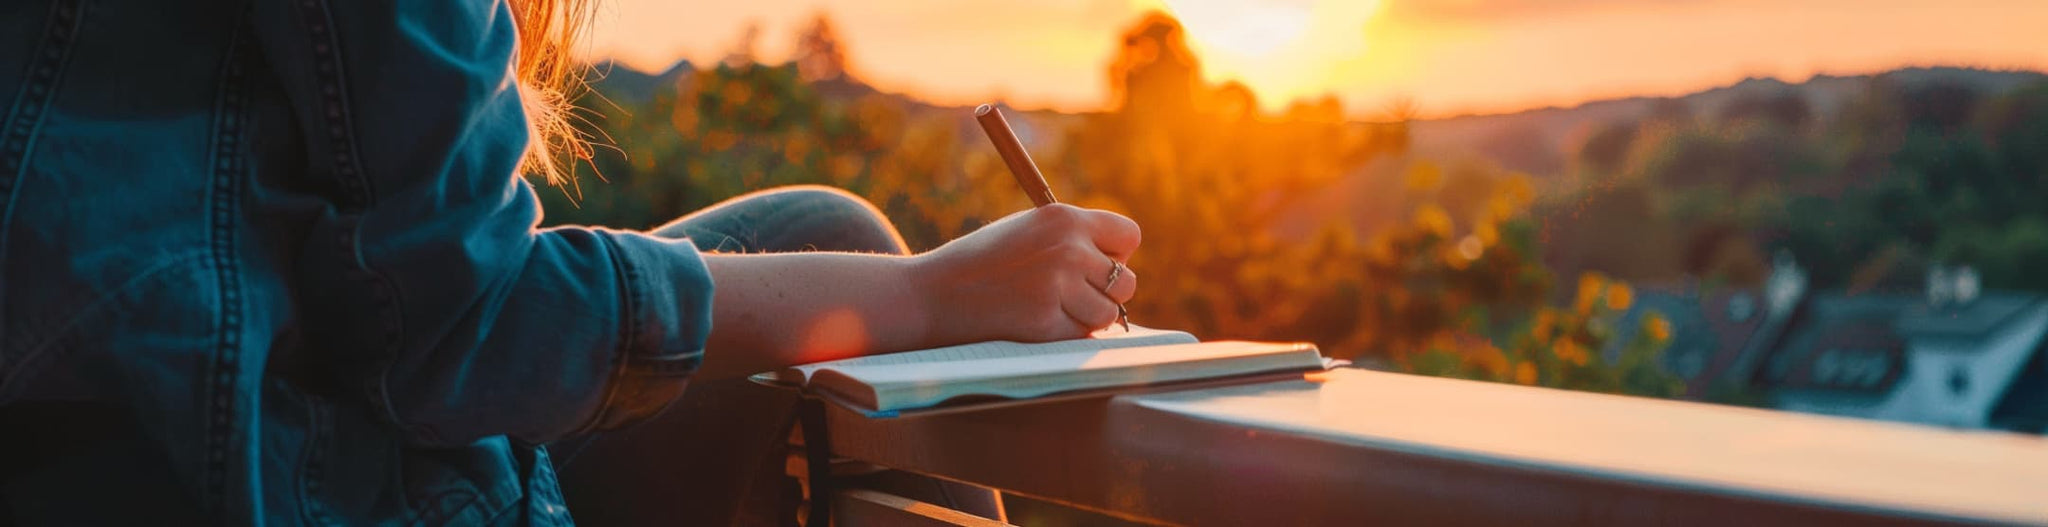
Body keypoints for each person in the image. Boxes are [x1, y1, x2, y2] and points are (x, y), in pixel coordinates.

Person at [0, 0, 1139, 525]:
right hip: (263, 480)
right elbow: (460, 327)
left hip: (137, 444)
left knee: (815, 225)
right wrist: (933, 292)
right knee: (848, 255)